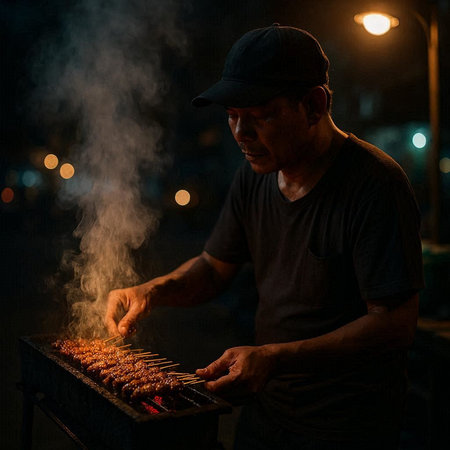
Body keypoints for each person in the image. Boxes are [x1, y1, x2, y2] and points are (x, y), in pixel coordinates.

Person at [105, 24, 424, 449]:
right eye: (232, 116)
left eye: (259, 116)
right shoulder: (253, 179)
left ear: (314, 105)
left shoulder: (374, 184)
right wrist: (152, 291)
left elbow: (395, 325)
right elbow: (214, 269)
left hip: (347, 427)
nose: (240, 134)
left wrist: (275, 357)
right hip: (265, 415)